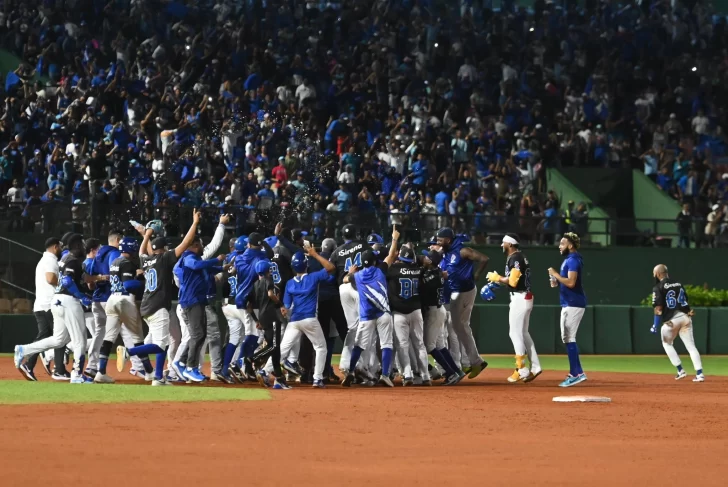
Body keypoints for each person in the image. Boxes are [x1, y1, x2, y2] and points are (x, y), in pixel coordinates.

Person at [116, 210, 201, 386]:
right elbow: (185, 243)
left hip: (146, 306)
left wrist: (145, 235)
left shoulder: (147, 261)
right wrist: (194, 223)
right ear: (163, 249)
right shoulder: (165, 258)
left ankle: (158, 378)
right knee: (161, 345)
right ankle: (129, 353)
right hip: (158, 307)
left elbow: (141, 252)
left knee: (162, 342)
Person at [14, 234, 93, 384]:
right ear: (77, 246)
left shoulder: (64, 259)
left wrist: (101, 277)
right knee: (80, 341)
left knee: (59, 340)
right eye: (82, 245)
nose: (84, 247)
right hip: (69, 301)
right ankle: (77, 374)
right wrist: (81, 296)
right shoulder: (72, 260)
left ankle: (24, 350)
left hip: (57, 301)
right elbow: (68, 280)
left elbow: (81, 278)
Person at [342, 227, 401, 388]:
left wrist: (350, 272)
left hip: (367, 315)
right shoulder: (380, 270)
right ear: (374, 261)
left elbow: (346, 279)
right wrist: (394, 239)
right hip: (383, 313)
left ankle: (351, 371)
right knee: (386, 344)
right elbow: (390, 256)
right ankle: (385, 375)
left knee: (359, 345)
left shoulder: (357, 276)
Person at [485, 233, 541, 383]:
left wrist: (497, 278)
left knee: (514, 333)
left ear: (510, 244)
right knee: (523, 333)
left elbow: (513, 282)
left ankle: (521, 368)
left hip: (520, 297)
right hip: (525, 296)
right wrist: (499, 280)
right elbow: (512, 280)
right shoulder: (520, 256)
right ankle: (535, 366)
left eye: (503, 243)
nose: (501, 245)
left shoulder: (515, 257)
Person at [279, 245, 336, 388]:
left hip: (294, 320)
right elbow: (331, 267)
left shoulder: (290, 283)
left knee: (283, 349)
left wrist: (286, 311)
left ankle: (266, 371)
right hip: (309, 319)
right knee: (321, 347)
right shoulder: (313, 277)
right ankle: (317, 379)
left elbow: (286, 306)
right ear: (306, 265)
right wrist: (315, 255)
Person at [95, 237, 151, 383]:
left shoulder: (115, 261)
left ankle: (100, 372)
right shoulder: (127, 263)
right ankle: (149, 372)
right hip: (125, 300)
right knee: (138, 338)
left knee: (108, 338)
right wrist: (141, 279)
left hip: (112, 299)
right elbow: (129, 285)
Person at [436, 227, 490, 379]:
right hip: (457, 292)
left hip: (465, 292)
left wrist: (477, 274)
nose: (439, 242)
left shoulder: (462, 250)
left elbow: (485, 259)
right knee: (461, 326)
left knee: (458, 326)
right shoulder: (445, 252)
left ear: (448, 239)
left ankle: (474, 361)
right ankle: (475, 361)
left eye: (440, 240)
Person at [173, 236, 226, 382]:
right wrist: (217, 260)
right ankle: (190, 367)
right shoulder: (188, 257)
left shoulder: (194, 260)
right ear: (195, 245)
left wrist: (222, 268)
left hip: (197, 300)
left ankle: (182, 362)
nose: (203, 247)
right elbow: (195, 265)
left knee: (200, 335)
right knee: (197, 334)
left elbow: (204, 268)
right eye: (201, 244)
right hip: (192, 301)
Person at [19, 238, 64, 381]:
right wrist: (64, 284)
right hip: (49, 305)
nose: (62, 249)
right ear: (55, 247)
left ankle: (30, 363)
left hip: (41, 305)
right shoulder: (51, 260)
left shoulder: (42, 260)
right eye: (61, 247)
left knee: (44, 336)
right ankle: (59, 369)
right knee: (60, 336)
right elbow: (50, 278)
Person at [650, 264, 704, 382]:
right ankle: (700, 373)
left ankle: (680, 370)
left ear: (658, 274)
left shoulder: (658, 287)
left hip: (671, 321)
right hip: (685, 317)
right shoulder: (678, 284)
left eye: (654, 273)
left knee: (667, 343)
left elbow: (658, 309)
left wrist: (655, 325)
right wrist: (688, 311)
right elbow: (685, 300)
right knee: (691, 346)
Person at [548, 232, 588, 388]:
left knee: (569, 337)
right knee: (567, 338)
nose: (560, 245)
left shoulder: (573, 261)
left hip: (574, 303)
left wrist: (555, 274)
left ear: (570, 245)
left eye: (563, 243)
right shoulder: (569, 260)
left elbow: (571, 283)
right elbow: (564, 283)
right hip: (568, 302)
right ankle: (577, 372)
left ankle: (576, 373)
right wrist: (555, 279)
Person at [420, 249, 463, 385]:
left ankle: (450, 372)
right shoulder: (437, 272)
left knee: (429, 346)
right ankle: (456, 370)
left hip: (434, 311)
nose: (424, 258)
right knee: (439, 344)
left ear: (431, 261)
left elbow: (422, 282)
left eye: (427, 257)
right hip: (439, 309)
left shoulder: (432, 276)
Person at [387, 244, 429, 386]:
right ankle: (425, 376)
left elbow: (385, 265)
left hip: (399, 312)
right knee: (420, 345)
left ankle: (408, 374)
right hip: (416, 311)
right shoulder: (418, 271)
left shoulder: (392, 270)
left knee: (402, 345)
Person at [328, 224, 363, 375]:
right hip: (359, 285)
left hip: (343, 287)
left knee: (352, 328)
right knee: (365, 326)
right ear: (357, 234)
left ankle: (345, 363)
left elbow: (330, 273)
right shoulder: (363, 245)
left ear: (343, 236)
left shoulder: (336, 252)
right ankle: (361, 366)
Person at [250, 260, 289, 390]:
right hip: (272, 316)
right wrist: (280, 304)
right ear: (268, 270)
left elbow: (248, 306)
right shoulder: (269, 280)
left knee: (275, 349)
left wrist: (256, 320)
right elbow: (270, 294)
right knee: (274, 346)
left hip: (262, 316)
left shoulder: (255, 284)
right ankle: (250, 359)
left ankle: (279, 379)